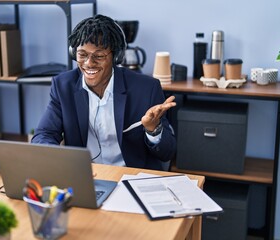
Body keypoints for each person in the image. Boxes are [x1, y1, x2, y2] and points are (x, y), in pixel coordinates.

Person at [32, 14, 177, 170]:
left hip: (131, 177)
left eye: (99, 56)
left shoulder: (146, 89)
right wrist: (56, 158)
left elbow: (167, 153)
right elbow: (44, 135)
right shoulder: (63, 87)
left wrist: (153, 129)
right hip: (86, 177)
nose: (89, 63)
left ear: (116, 56)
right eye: (82, 55)